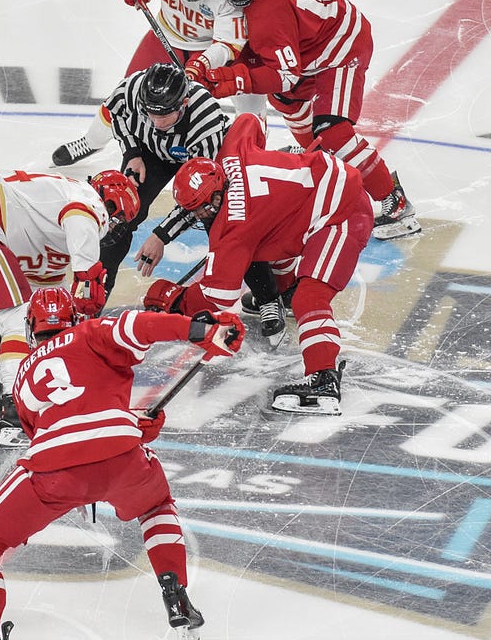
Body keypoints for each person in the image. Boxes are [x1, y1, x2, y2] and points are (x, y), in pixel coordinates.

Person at [0, 287, 245, 640]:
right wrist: (200, 329)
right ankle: (176, 594)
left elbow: (58, 428)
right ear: (73, 319)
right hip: (123, 454)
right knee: (156, 506)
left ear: (31, 329)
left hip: (55, 469)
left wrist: (115, 433)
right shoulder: (91, 333)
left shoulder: (24, 371)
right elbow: (140, 325)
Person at [191, 0, 421, 242]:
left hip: (341, 49)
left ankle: (395, 203)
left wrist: (231, 82)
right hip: (308, 48)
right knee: (286, 99)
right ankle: (314, 150)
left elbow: (286, 73)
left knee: (334, 132)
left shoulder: (270, 16)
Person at [142, 112, 372, 415]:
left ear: (213, 198)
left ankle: (323, 380)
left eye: (199, 209)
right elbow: (250, 120)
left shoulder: (232, 227)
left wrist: (177, 299)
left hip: (344, 210)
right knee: (272, 240)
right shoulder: (230, 156)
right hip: (325, 187)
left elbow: (219, 295)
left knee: (311, 297)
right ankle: (285, 293)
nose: (198, 217)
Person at [0, 159, 140, 446]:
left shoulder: (58, 198)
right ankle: (13, 408)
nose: (113, 228)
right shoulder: (88, 203)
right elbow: (79, 216)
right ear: (112, 207)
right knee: (19, 315)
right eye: (118, 219)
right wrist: (87, 275)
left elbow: (47, 282)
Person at [89, 61, 285, 338]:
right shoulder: (131, 90)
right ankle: (93, 297)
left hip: (200, 163)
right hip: (149, 154)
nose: (156, 123)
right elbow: (116, 113)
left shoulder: (206, 122)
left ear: (183, 102)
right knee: (119, 218)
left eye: (165, 115)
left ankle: (268, 297)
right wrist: (132, 152)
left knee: (230, 224)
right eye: (150, 114)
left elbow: (198, 197)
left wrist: (161, 235)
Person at [51, 0, 264, 168]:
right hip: (165, 37)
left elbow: (228, 45)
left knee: (251, 110)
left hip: (209, 50)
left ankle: (251, 161)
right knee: (122, 99)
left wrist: (202, 63)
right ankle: (91, 141)